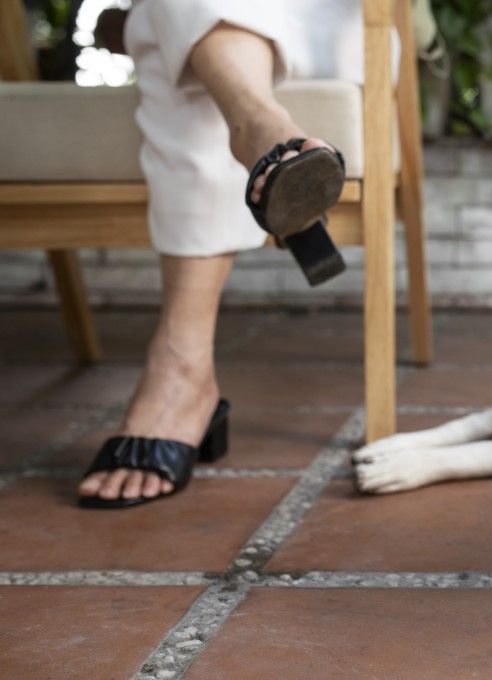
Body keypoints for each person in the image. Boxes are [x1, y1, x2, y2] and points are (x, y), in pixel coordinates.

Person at [77, 0, 379, 508]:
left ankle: (182, 373)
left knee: (178, 53)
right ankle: (266, 136)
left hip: (330, 25)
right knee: (179, 31)